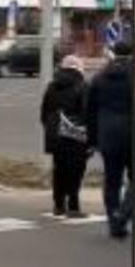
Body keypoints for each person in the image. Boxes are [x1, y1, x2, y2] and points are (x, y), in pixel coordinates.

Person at [86, 40, 135, 239]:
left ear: (113, 53)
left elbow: (89, 112)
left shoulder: (99, 77)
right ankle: (123, 214)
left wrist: (91, 141)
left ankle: (114, 225)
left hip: (108, 136)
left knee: (112, 181)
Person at [41, 55, 91, 218]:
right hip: (75, 136)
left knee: (59, 169)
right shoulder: (82, 86)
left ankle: (58, 205)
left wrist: (51, 128)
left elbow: (44, 113)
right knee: (76, 170)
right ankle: (73, 206)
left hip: (55, 135)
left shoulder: (51, 86)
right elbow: (87, 114)